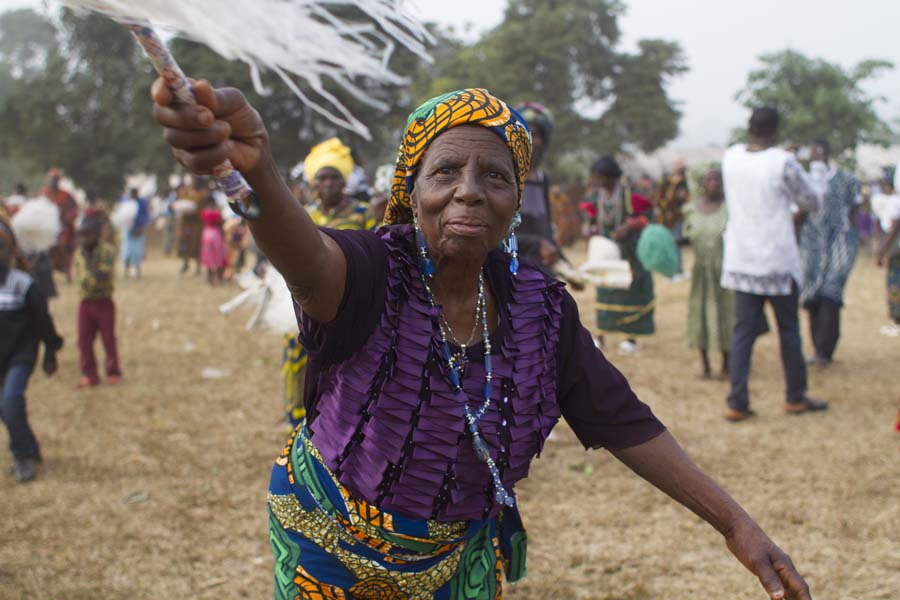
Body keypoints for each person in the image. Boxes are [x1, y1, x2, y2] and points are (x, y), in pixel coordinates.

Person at [152, 81, 814, 599]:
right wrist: (257, 171)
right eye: (445, 173)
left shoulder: (539, 308)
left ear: (517, 199)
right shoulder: (371, 273)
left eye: (495, 176)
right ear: (411, 191)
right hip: (330, 552)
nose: (469, 192)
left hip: (454, 559)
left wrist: (737, 525)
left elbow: (622, 420)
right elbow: (303, 255)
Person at [721, 107, 828, 422]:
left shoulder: (731, 158)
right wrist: (818, 167)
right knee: (789, 330)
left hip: (741, 259)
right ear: (777, 129)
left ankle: (736, 401)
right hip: (777, 260)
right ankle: (795, 397)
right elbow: (813, 201)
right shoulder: (783, 162)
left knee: (742, 332)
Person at [282, 138, 376, 426]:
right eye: (322, 178)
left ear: (344, 181)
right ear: (313, 183)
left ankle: (345, 418)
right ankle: (297, 416)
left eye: (335, 177)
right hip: (308, 300)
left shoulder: (362, 213)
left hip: (352, 301)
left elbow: (375, 251)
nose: (329, 184)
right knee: (296, 351)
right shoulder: (305, 214)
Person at [0, 221, 63, 483]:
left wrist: (51, 350)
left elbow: (42, 322)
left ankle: (23, 456)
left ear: (10, 251)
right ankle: (30, 446)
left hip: (21, 355)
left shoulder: (23, 284)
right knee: (4, 408)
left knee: (11, 401)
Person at [797, 140, 861, 365]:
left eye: (818, 152)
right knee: (812, 294)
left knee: (830, 293)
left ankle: (826, 349)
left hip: (839, 242)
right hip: (811, 244)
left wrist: (851, 241)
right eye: (812, 153)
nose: (814, 157)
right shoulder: (804, 180)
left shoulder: (847, 180)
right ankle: (818, 348)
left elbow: (854, 211)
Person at [585, 156, 655, 354]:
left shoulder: (630, 197)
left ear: (611, 177)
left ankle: (630, 338)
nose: (596, 181)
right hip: (606, 252)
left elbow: (648, 216)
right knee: (605, 290)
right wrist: (590, 229)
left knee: (628, 293)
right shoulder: (595, 197)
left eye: (599, 176)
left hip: (629, 254)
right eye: (595, 176)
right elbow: (591, 219)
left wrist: (629, 225)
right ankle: (600, 336)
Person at [683, 168, 732, 379]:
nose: (714, 183)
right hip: (701, 272)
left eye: (717, 179)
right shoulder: (691, 210)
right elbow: (685, 237)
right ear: (702, 183)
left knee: (726, 315)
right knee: (700, 315)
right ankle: (705, 364)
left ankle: (727, 364)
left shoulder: (730, 209)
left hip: (725, 272)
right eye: (709, 179)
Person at [74, 215, 122, 388]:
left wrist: (90, 263)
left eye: (87, 234)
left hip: (103, 301)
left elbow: (102, 275)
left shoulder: (107, 251)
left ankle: (113, 371)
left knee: (108, 338)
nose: (84, 239)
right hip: (85, 302)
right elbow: (81, 278)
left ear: (96, 234)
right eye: (81, 234)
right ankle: (89, 374)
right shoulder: (79, 253)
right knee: (84, 340)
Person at [514, 102, 561, 268]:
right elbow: (495, 235)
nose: (536, 141)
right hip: (511, 268)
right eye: (530, 134)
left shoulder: (542, 179)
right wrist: (537, 244)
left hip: (542, 266)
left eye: (539, 135)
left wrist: (564, 263)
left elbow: (545, 228)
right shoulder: (507, 177)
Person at [41, 168, 79, 283]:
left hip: (63, 228)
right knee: (47, 252)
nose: (53, 181)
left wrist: (67, 217)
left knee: (64, 248)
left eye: (56, 179)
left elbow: (74, 209)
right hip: (48, 229)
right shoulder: (44, 193)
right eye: (52, 179)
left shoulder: (66, 195)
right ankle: (48, 277)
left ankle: (68, 274)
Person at [657, 159, 690, 278]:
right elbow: (664, 198)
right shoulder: (674, 181)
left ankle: (676, 269)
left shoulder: (679, 181)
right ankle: (674, 270)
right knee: (672, 243)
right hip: (670, 217)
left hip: (674, 216)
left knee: (675, 243)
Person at [876, 180, 900, 328]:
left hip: (897, 251)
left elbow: (893, 227)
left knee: (894, 283)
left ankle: (897, 313)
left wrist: (881, 251)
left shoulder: (894, 201)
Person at [175, 176, 207, 275]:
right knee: (184, 243)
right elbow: (179, 202)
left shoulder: (202, 194)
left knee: (196, 244)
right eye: (192, 180)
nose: (193, 182)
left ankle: (198, 267)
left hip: (196, 224)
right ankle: (185, 264)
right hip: (185, 224)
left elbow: (201, 208)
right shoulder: (184, 192)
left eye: (195, 181)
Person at [121, 187, 150, 279]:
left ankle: (137, 269)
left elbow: (145, 216)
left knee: (138, 251)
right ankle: (127, 270)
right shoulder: (126, 202)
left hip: (138, 229)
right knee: (127, 250)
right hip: (128, 229)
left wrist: (142, 226)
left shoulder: (141, 203)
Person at [200, 196, 227, 285]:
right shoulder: (217, 212)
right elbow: (221, 221)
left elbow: (202, 221)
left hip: (207, 233)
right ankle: (219, 277)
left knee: (208, 256)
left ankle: (210, 277)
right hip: (216, 234)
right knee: (218, 256)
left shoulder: (205, 212)